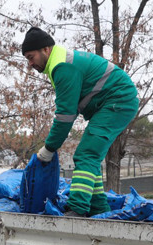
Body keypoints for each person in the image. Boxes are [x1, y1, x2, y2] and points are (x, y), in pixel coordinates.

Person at [21, 26, 139, 217]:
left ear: (46, 49)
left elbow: (65, 116)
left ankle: (77, 207)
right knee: (89, 156)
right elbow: (70, 110)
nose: (30, 63)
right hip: (113, 102)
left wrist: (49, 148)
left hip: (118, 101)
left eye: (31, 56)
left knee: (86, 154)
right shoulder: (59, 63)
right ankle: (98, 207)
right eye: (27, 58)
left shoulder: (62, 66)